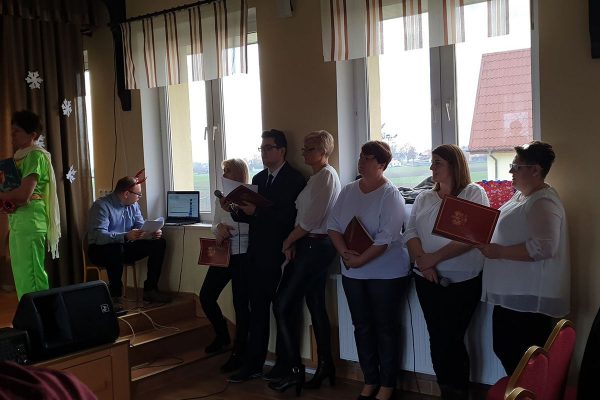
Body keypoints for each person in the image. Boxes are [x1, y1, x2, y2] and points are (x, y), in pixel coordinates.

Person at [404, 144, 489, 400]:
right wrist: (423, 262)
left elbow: (474, 235)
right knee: (437, 337)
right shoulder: (424, 198)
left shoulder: (473, 193)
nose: (432, 167)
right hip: (426, 278)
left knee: (453, 338)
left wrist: (434, 258)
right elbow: (410, 232)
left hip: (462, 281)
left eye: (437, 162)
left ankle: (459, 393)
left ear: (454, 165)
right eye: (432, 162)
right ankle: (445, 391)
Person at [327, 140, 410, 400]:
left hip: (386, 273)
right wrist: (345, 254)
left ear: (382, 164)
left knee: (385, 328)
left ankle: (387, 384)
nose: (361, 162)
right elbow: (333, 225)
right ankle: (370, 379)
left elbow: (386, 238)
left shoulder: (390, 195)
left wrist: (360, 260)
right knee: (361, 326)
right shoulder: (349, 190)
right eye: (361, 157)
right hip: (353, 270)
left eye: (368, 158)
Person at [479, 141, 570, 376]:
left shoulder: (543, 201)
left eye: (516, 167)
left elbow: (544, 247)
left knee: (524, 359)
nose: (511, 171)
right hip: (512, 295)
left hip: (527, 300)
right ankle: (518, 390)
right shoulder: (522, 197)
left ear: (536, 170)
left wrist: (499, 252)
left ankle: (525, 392)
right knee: (506, 350)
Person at [227, 129, 305, 383]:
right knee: (257, 310)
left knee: (284, 310)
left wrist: (257, 213)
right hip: (256, 253)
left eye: (268, 148)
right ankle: (253, 364)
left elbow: (290, 217)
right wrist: (235, 209)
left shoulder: (295, 179)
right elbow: (250, 217)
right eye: (261, 149)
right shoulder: (259, 178)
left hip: (282, 252)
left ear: (282, 150)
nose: (263, 153)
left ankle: (285, 364)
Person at [268, 131, 341, 395]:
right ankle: (325, 365)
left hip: (315, 247)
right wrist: (293, 242)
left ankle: (295, 371)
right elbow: (303, 216)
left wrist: (288, 240)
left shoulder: (327, 177)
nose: (305, 153)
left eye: (310, 149)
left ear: (324, 151)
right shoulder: (315, 178)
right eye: (304, 149)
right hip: (308, 245)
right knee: (315, 305)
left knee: (281, 304)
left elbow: (310, 220)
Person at [0, 111, 60, 300]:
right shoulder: (19, 157)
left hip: (32, 220)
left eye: (17, 131)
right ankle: (28, 312)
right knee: (21, 273)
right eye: (12, 131)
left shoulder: (35, 156)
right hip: (19, 220)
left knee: (32, 273)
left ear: (32, 134)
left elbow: (24, 194)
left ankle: (40, 313)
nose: (12, 135)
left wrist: (2, 195)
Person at [199, 159, 251, 373]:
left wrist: (231, 230)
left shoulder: (249, 195)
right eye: (223, 171)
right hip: (224, 253)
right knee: (206, 296)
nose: (224, 174)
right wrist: (218, 229)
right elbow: (214, 224)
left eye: (228, 171)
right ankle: (222, 335)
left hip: (243, 256)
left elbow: (254, 225)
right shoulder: (221, 197)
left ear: (238, 174)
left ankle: (240, 351)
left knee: (241, 305)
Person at [87, 175, 171, 304]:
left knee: (159, 243)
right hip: (100, 249)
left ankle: (150, 290)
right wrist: (125, 236)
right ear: (126, 193)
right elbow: (99, 236)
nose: (139, 197)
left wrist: (152, 232)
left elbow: (140, 226)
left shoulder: (134, 205)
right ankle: (115, 296)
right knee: (115, 249)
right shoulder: (101, 206)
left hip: (124, 246)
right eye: (138, 194)